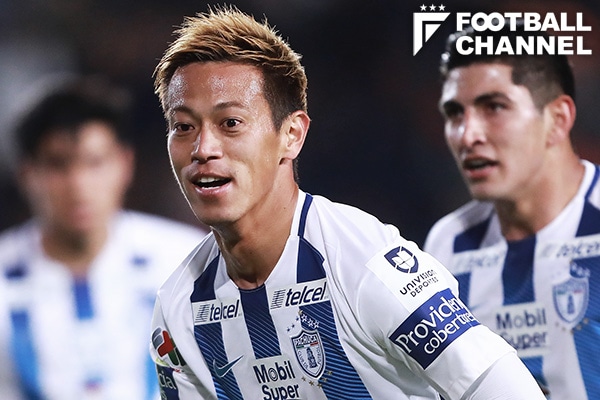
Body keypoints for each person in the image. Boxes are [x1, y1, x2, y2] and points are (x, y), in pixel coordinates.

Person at [148, 7, 545, 400]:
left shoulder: (365, 265)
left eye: (231, 123)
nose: (203, 148)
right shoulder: (178, 308)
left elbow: (505, 388)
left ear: (292, 134)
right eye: (183, 127)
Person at [0, 75, 207, 399]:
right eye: (58, 166)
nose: (79, 185)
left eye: (94, 162)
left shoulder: (187, 262)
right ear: (27, 174)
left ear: (125, 163)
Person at [424, 21, 599, 399]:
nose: (468, 135)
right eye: (454, 113)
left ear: (558, 119)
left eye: (494, 107)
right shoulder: (448, 244)